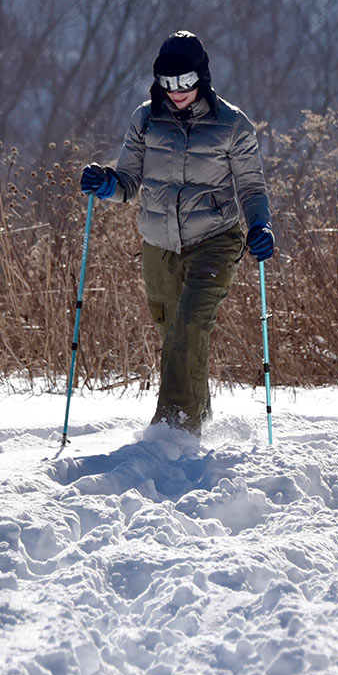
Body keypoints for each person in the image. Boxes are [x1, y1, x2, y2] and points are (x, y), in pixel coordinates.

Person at [80, 30, 273, 435]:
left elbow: (252, 187)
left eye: (186, 82)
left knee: (188, 326)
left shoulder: (231, 124)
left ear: (201, 78)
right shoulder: (146, 119)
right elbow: (128, 183)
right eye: (168, 83)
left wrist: (260, 224)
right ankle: (197, 421)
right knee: (176, 338)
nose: (178, 91)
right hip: (159, 244)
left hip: (216, 241)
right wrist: (106, 183)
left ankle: (171, 430)